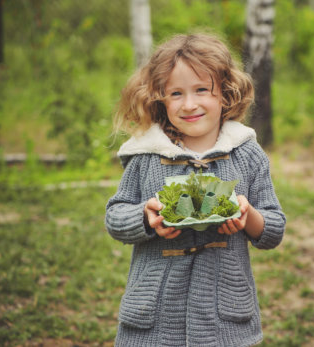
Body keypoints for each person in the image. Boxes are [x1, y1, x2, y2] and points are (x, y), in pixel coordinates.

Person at [105, 33, 286, 347]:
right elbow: (115, 217)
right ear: (160, 97)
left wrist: (249, 216)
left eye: (201, 89)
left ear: (225, 94)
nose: (189, 104)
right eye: (176, 93)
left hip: (224, 322)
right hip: (154, 321)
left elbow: (274, 229)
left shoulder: (246, 155)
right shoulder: (147, 155)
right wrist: (146, 218)